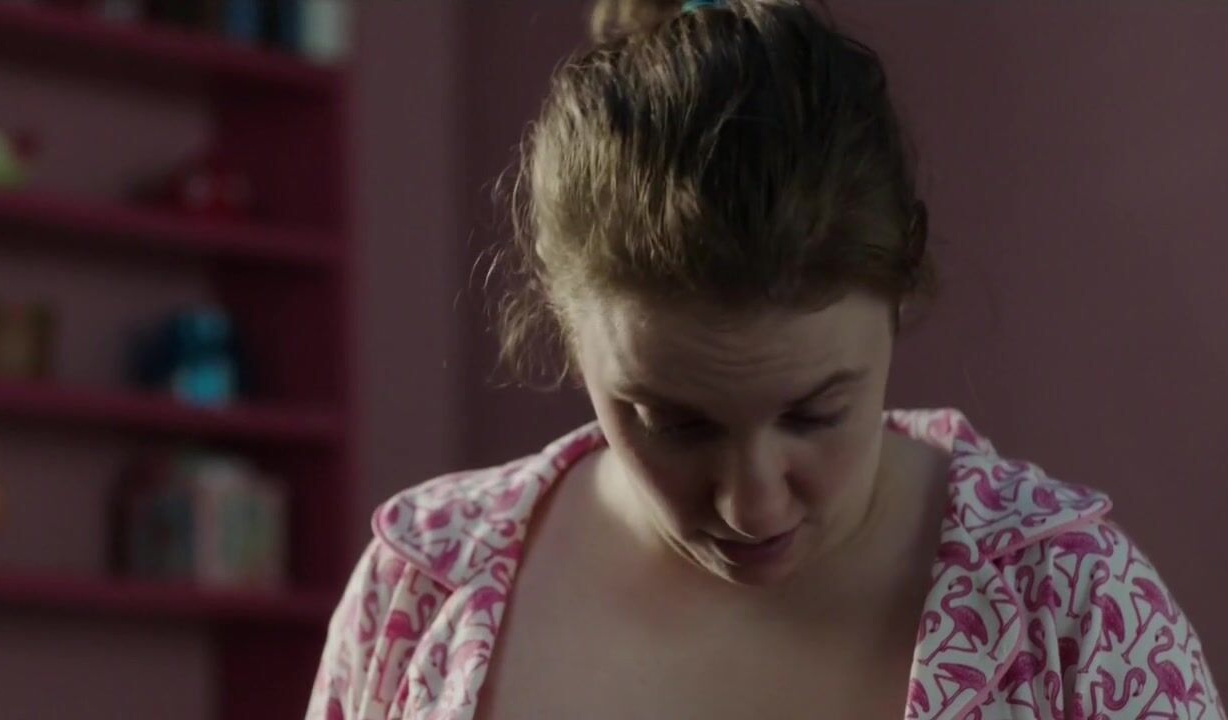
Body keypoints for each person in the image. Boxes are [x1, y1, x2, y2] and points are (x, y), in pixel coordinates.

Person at [308, 1, 1223, 718]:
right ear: (561, 320)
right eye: (673, 424)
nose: (751, 505)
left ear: (899, 290)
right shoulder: (422, 589)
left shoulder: (1069, 606)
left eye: (814, 414)